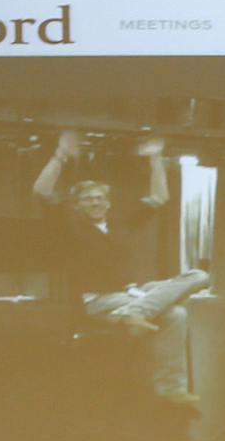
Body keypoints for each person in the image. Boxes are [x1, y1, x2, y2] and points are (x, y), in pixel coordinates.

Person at [31, 129, 209, 402]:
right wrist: (61, 155)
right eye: (88, 199)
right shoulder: (69, 225)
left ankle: (138, 319)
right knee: (175, 314)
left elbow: (159, 198)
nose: (95, 202)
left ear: (108, 203)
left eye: (99, 198)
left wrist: (156, 160)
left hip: (134, 292)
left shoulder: (119, 223)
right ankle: (169, 384)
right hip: (98, 299)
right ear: (77, 205)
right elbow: (41, 191)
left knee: (199, 276)